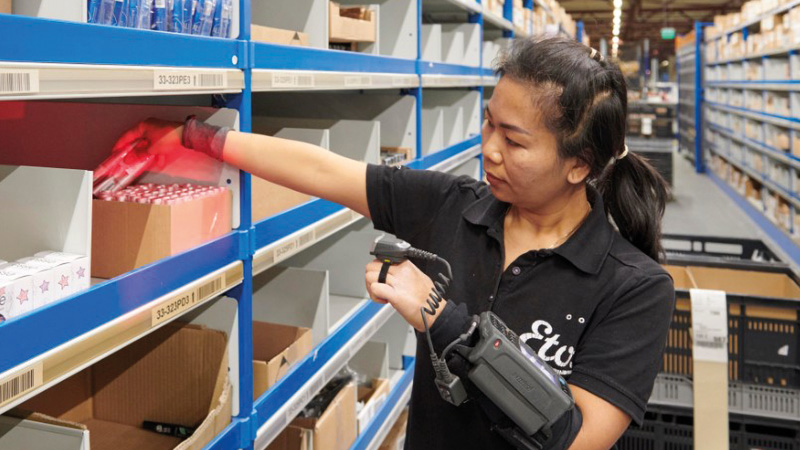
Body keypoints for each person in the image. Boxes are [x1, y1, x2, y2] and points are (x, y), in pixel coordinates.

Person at [112, 36, 675, 449]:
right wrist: (195, 137)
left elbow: (570, 439)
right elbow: (327, 171)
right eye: (488, 125)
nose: (490, 150)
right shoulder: (458, 207)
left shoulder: (635, 288)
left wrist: (439, 315)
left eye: (516, 140)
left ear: (580, 165)